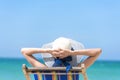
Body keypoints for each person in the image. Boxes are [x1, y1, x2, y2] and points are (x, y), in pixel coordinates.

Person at [21, 37, 102, 69]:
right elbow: (98, 51)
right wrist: (72, 53)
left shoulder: (45, 70)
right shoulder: (76, 69)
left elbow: (24, 51)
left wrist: (47, 51)